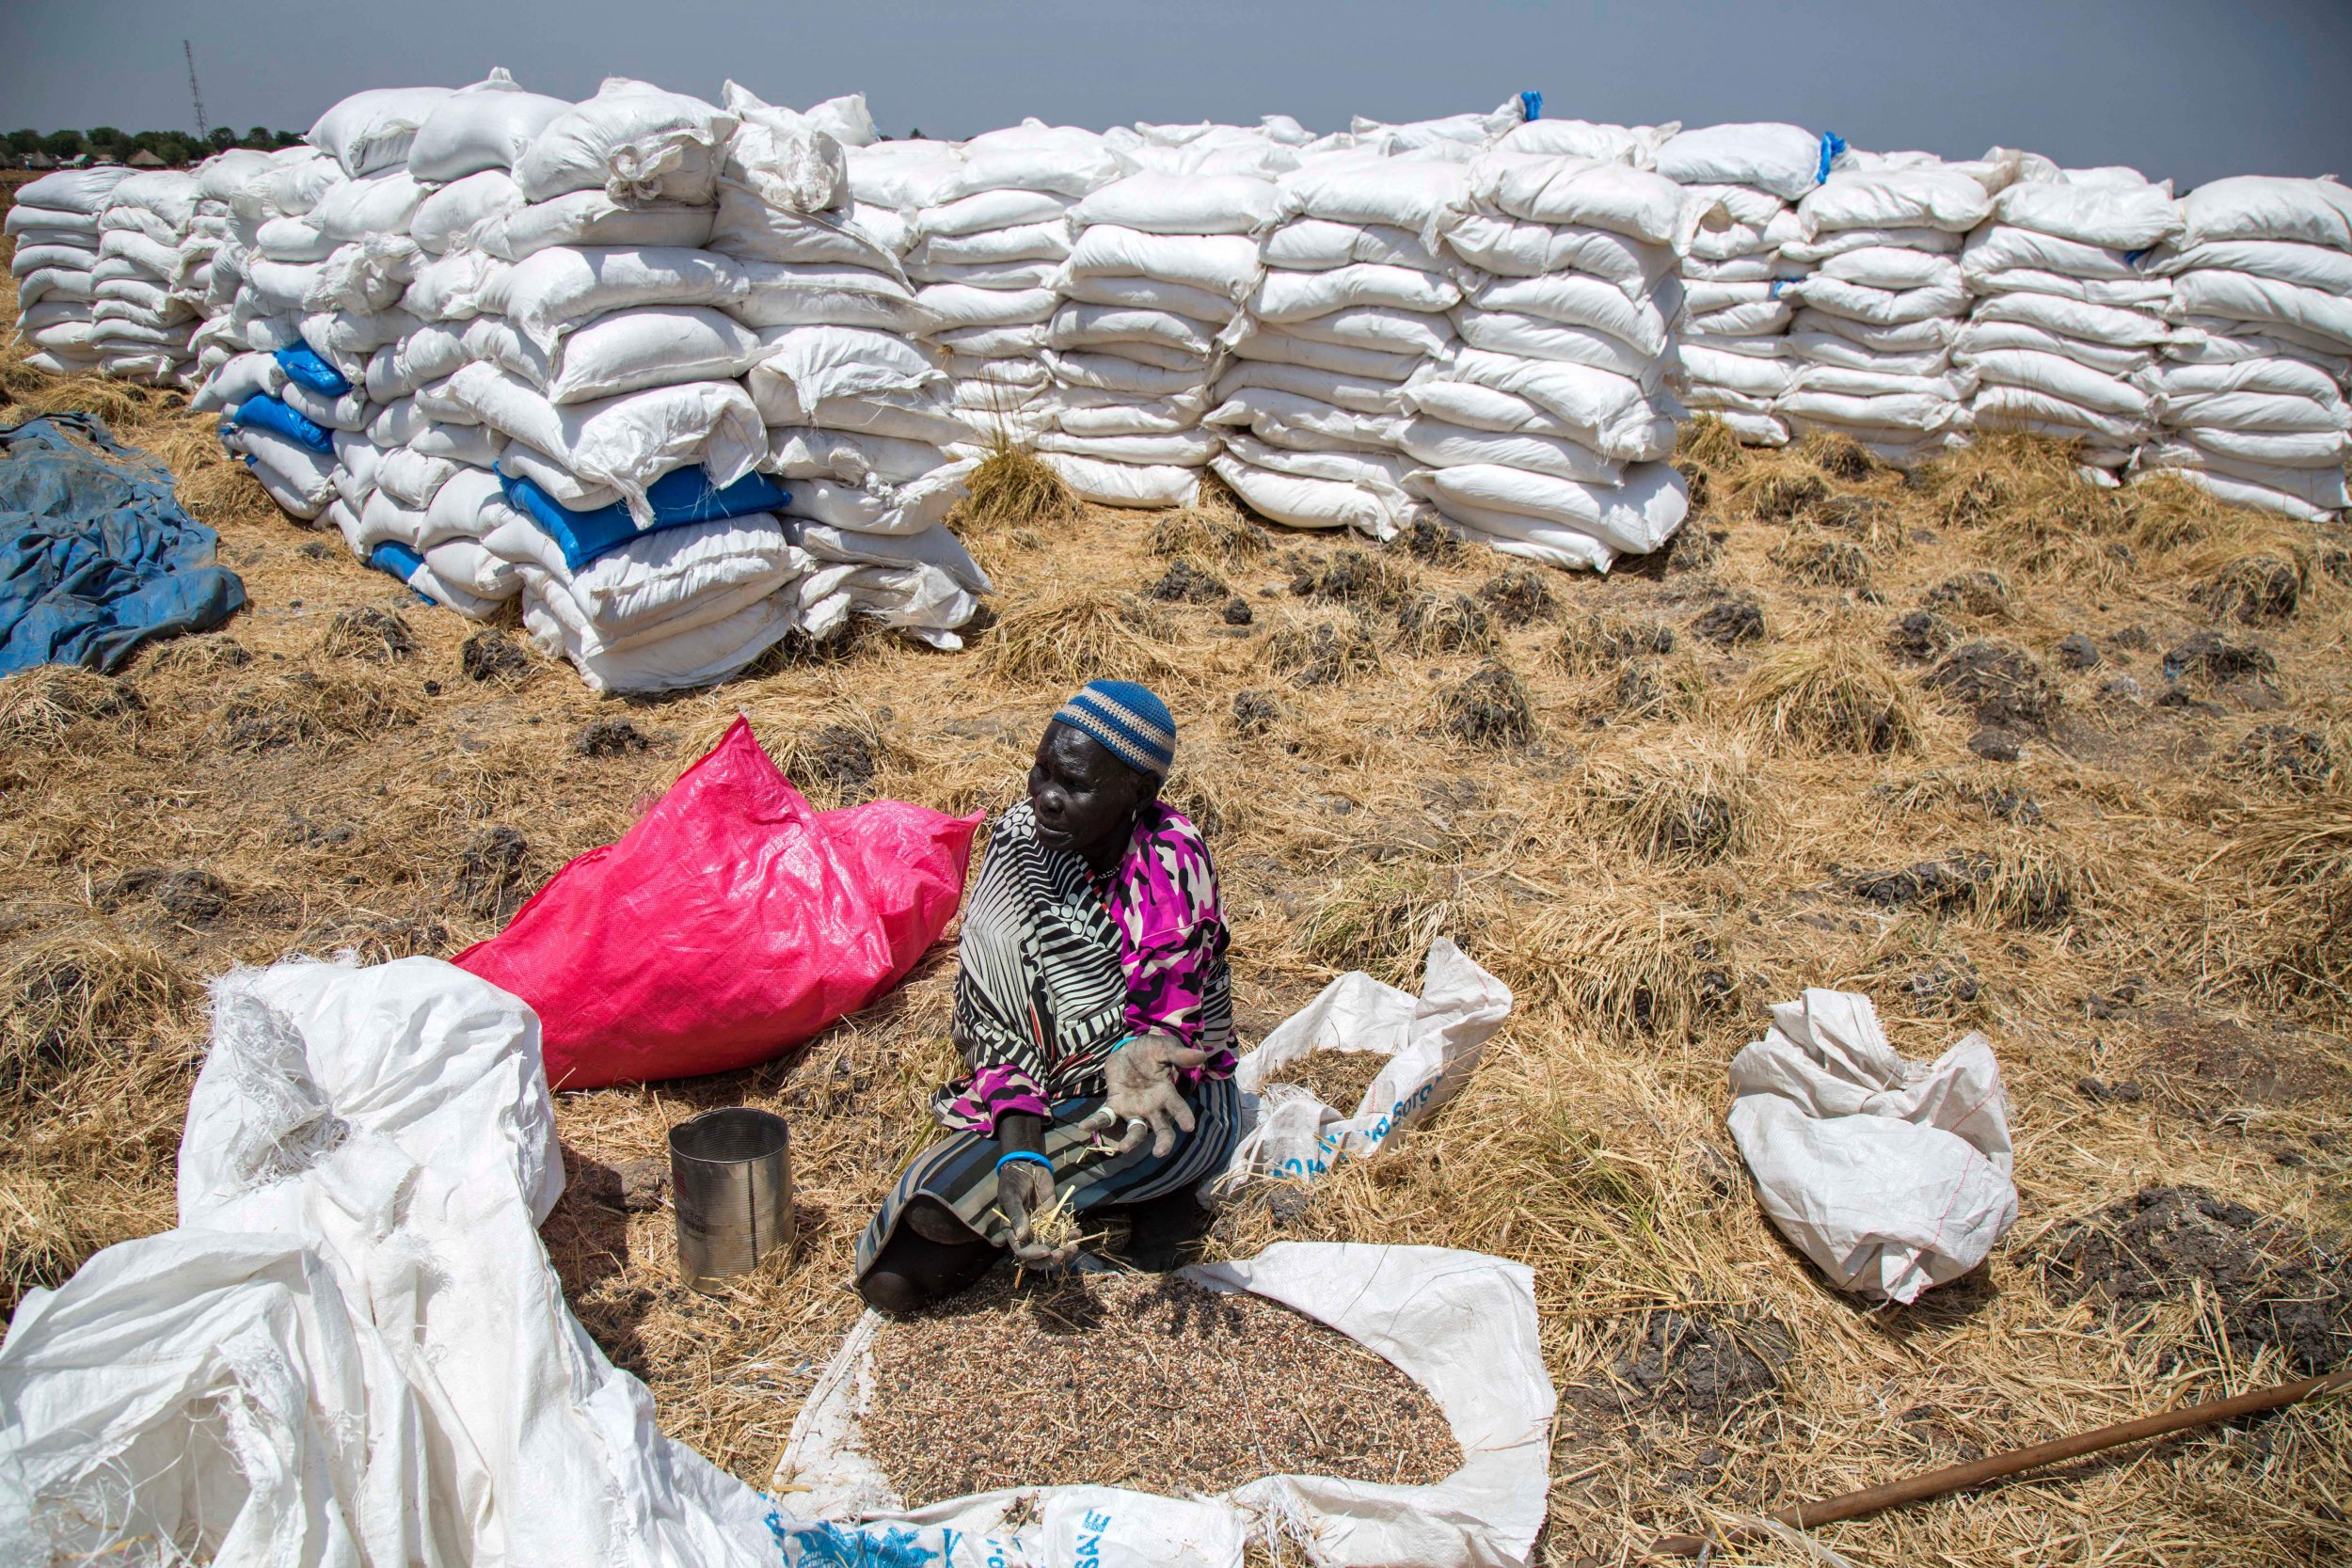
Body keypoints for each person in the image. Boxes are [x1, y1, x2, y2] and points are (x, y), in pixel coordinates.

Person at [854, 679, 1238, 1314]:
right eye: (1042, 770)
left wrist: (1135, 1063)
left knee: (1141, 1138)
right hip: (1052, 1092)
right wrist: (1022, 1152)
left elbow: (1159, 1046)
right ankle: (1073, 1204)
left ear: (1136, 794)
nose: (1046, 798)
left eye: (1075, 785)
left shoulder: (1170, 863)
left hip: (1161, 1101)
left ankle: (1158, 1192)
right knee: (895, 1281)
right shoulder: (1021, 844)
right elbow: (1002, 1026)